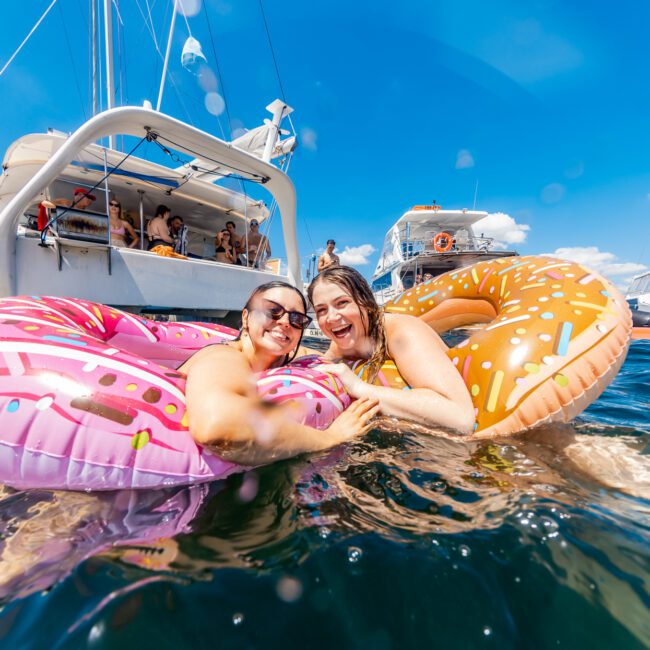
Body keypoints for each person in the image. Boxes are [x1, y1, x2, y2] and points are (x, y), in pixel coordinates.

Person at [178, 281, 380, 465]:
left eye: (296, 318)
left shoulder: (285, 359)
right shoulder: (223, 357)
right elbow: (217, 425)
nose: (285, 322)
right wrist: (329, 438)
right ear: (246, 317)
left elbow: (327, 355)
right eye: (272, 310)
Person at [306, 266, 474, 434]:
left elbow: (460, 416)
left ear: (366, 302)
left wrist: (359, 388)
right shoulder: (340, 345)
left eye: (342, 303)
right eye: (322, 310)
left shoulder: (401, 332)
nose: (332, 317)